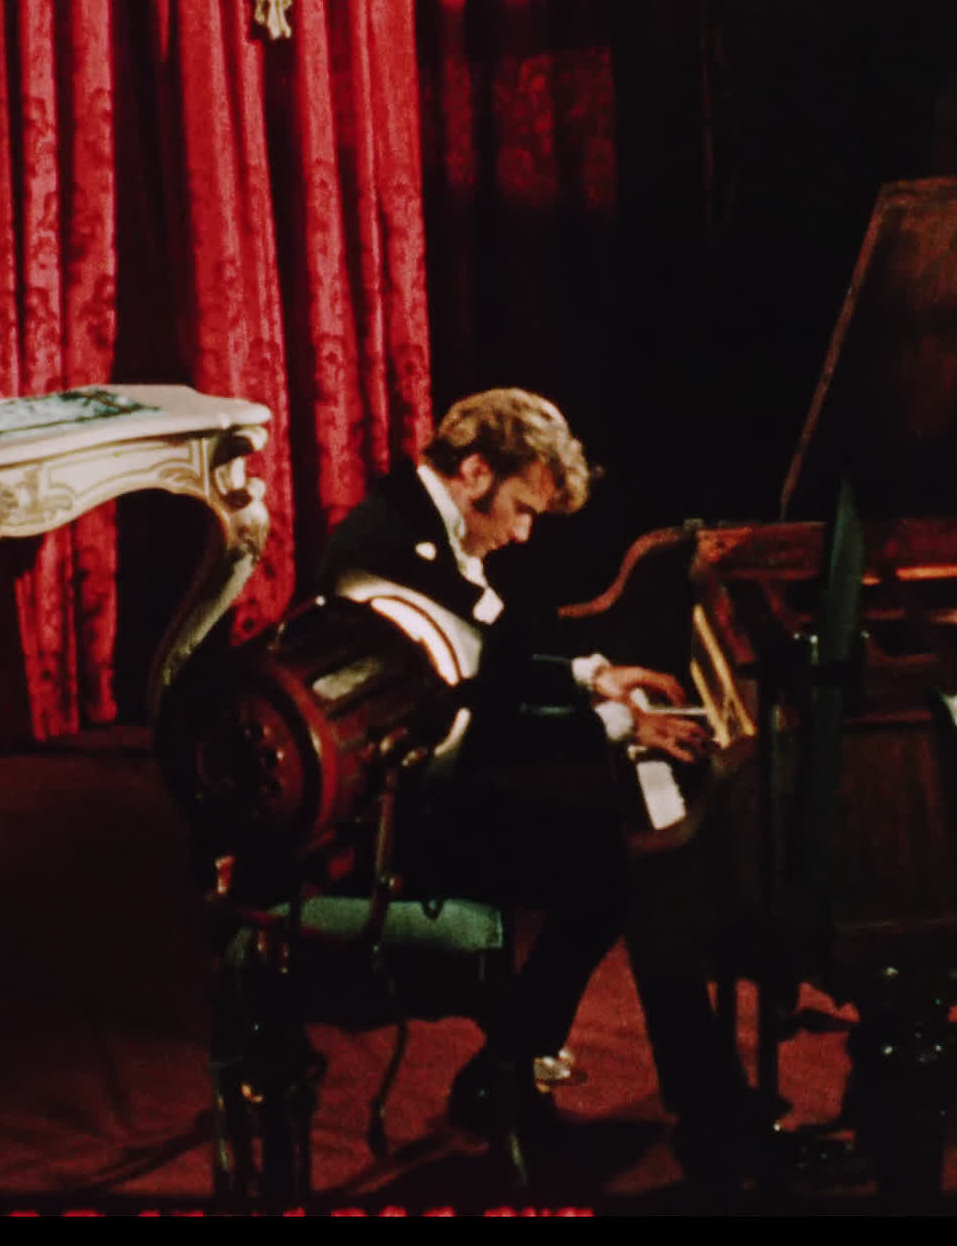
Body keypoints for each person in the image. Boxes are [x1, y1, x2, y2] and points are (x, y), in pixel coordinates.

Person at [313, 387, 776, 1186]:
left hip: (432, 777)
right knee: (627, 868)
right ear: (474, 470)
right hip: (387, 821)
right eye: (521, 509)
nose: (524, 534)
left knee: (618, 860)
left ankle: (518, 1070)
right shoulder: (394, 555)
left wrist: (596, 675)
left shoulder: (424, 525)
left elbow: (486, 663)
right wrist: (621, 723)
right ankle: (693, 1109)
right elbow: (478, 714)